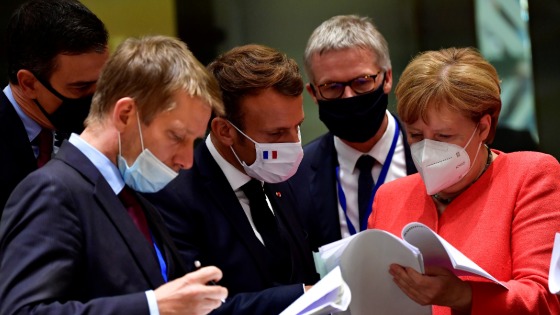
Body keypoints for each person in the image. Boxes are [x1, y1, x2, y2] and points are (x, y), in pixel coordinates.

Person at [0, 35, 228, 315]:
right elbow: (22, 311)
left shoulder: (134, 195)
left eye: (193, 142)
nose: (187, 161)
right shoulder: (51, 190)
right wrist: (152, 307)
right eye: (177, 136)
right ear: (125, 114)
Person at [368, 47, 560, 314]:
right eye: (415, 135)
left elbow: (545, 300)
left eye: (444, 137)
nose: (426, 150)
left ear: (483, 127)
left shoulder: (529, 176)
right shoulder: (390, 197)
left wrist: (463, 295)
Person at [146, 44, 318, 314]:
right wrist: (302, 296)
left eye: (297, 126)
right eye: (275, 134)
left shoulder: (279, 171)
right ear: (225, 130)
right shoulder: (173, 196)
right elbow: (194, 308)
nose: (294, 144)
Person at [288, 14, 417, 251]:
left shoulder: (429, 154)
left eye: (362, 82)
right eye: (331, 87)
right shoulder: (295, 176)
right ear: (313, 93)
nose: (348, 97)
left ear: (387, 77)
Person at [0, 0, 109, 212]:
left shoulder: (95, 133)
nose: (96, 98)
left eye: (103, 82)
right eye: (81, 87)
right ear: (29, 84)